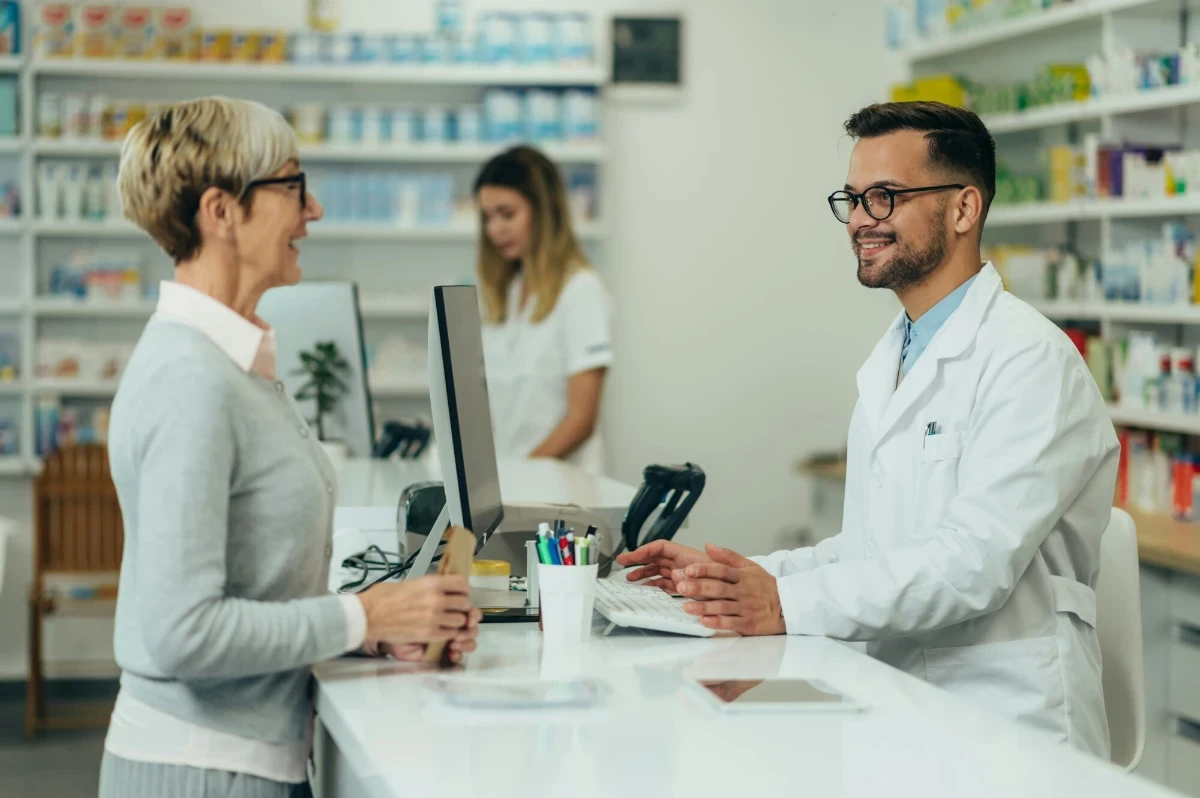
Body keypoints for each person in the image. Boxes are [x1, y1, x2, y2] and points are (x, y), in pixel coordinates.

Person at [618, 101, 1119, 758]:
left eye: (884, 198)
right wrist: (732, 580)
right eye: (852, 200)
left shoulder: (1030, 360)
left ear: (964, 209)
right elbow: (870, 549)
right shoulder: (896, 355)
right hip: (896, 705)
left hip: (1005, 728)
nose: (859, 221)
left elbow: (972, 566)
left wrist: (783, 605)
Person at [100, 97, 482, 798]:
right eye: (292, 186)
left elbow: (257, 591)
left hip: (246, 760)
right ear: (221, 211)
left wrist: (368, 633)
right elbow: (185, 632)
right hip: (201, 772)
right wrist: (369, 613)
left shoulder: (231, 365)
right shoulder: (191, 381)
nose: (315, 211)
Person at [474, 145, 613, 473]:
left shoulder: (581, 291)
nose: (495, 230)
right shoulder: (505, 294)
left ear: (545, 211)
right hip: (511, 488)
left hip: (563, 494)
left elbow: (580, 422)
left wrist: (518, 476)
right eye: (487, 218)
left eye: (507, 214)